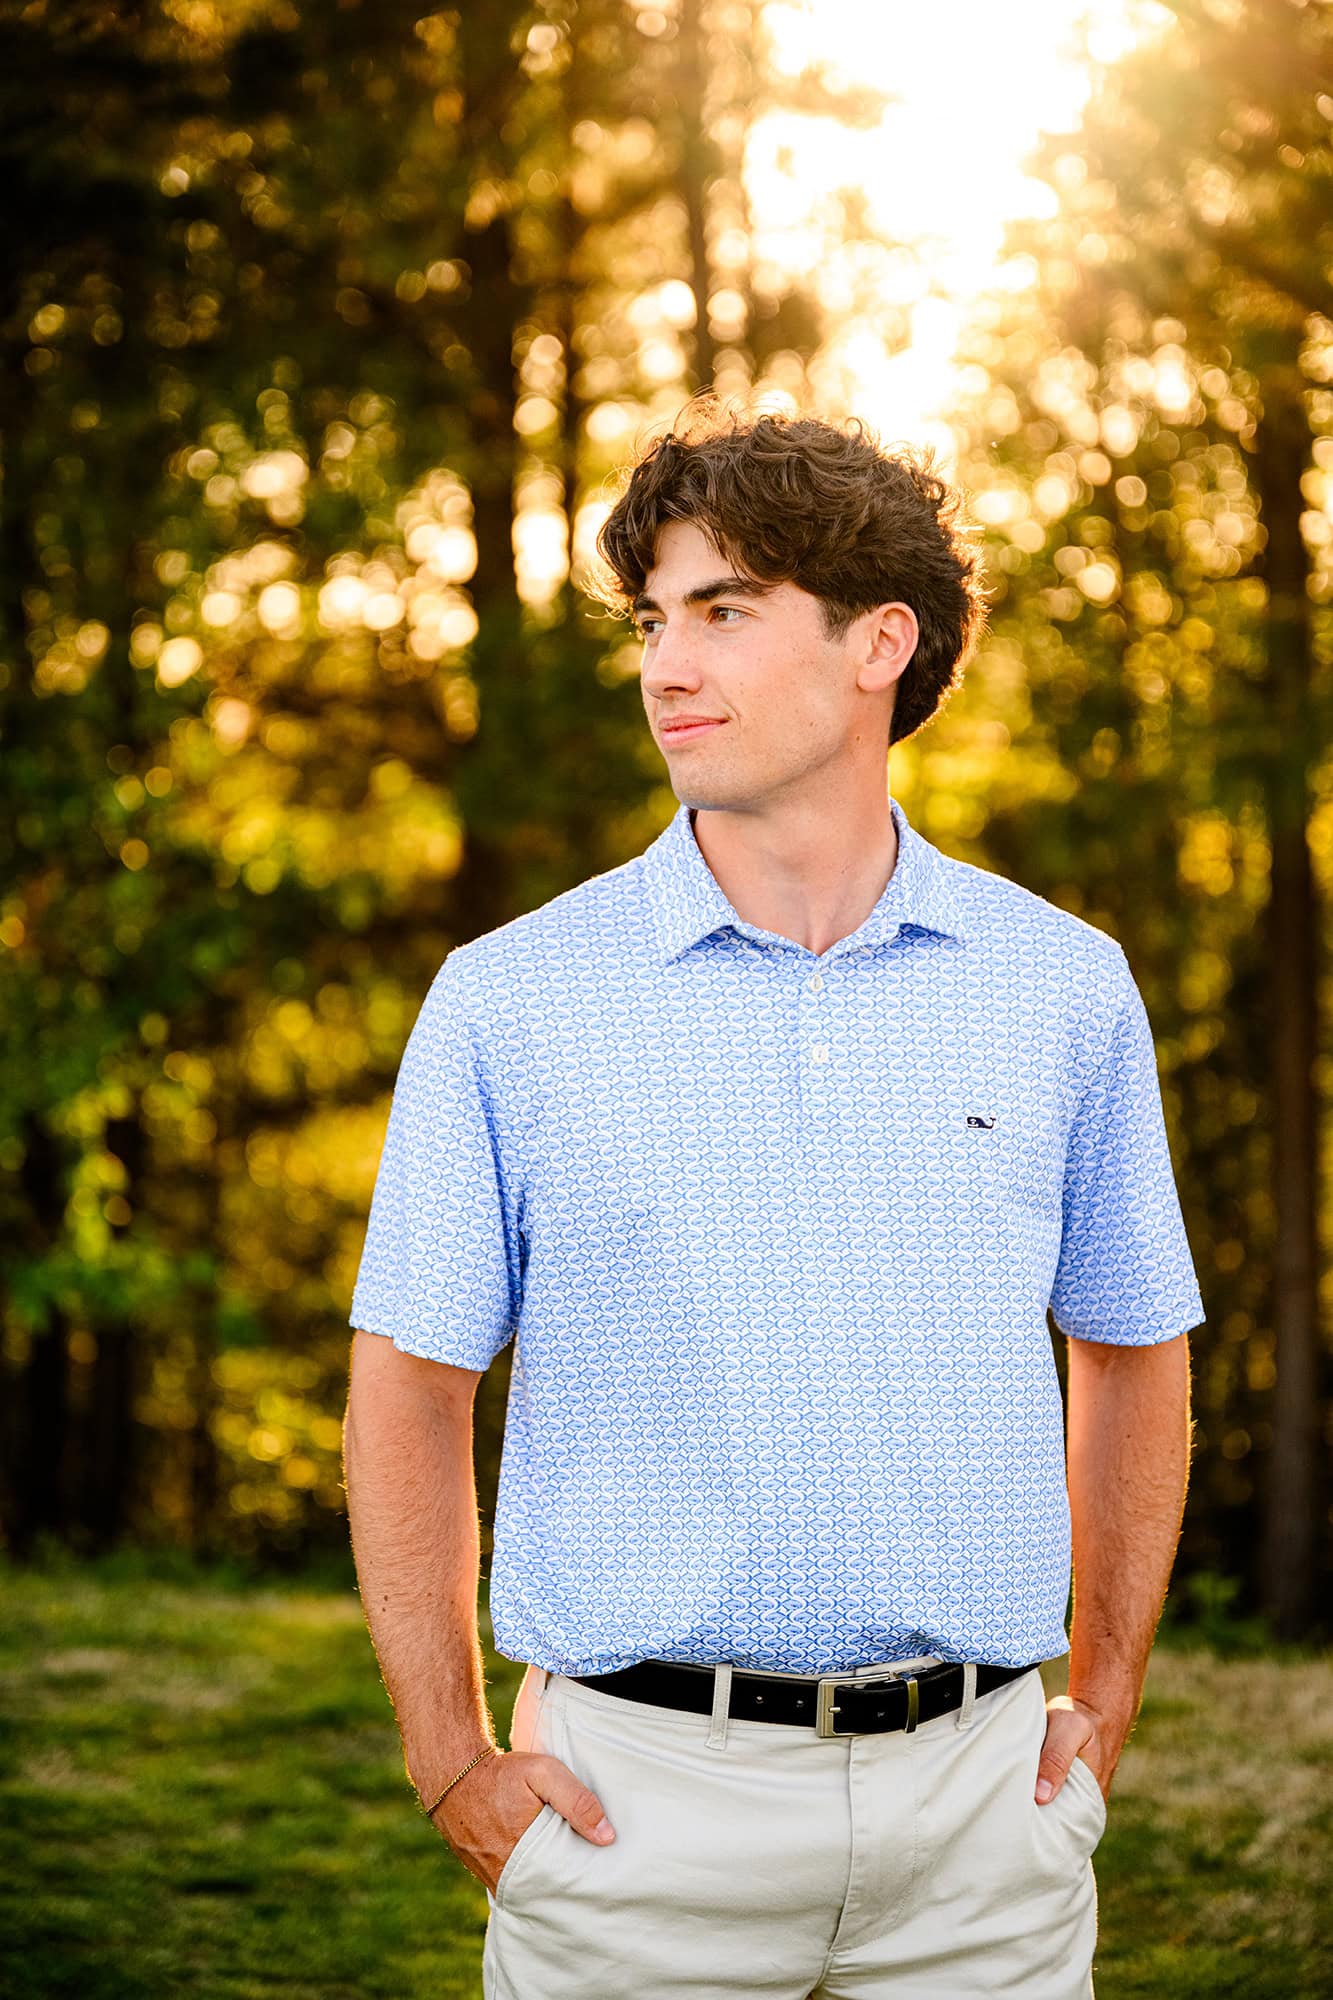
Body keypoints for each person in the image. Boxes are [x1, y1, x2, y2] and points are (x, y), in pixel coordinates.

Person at [342, 402, 1203, 1999]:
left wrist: (1106, 1700)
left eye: (724, 612)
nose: (667, 664)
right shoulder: (509, 999)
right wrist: (451, 1757)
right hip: (629, 1824)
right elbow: (407, 1385)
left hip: (982, 1835)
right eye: (654, 619)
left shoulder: (1063, 988)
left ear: (882, 641)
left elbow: (1135, 1347)